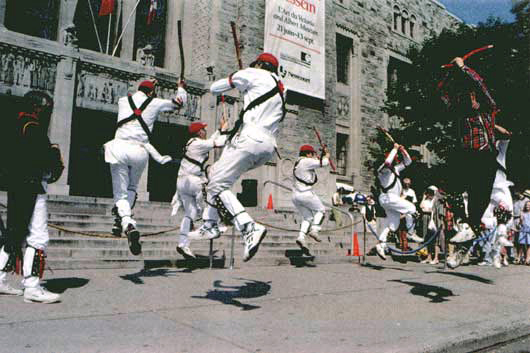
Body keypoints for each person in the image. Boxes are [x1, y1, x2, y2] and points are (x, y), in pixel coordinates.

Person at [189, 53, 286, 262]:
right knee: (216, 176)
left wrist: (238, 78)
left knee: (216, 184)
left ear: (260, 64)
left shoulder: (253, 73)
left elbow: (215, 88)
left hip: (250, 139)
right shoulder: (280, 88)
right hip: (267, 146)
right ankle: (209, 223)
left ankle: (248, 226)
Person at [104, 79, 187, 255]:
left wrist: (150, 85)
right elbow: (179, 104)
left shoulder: (123, 101)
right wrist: (181, 89)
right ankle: (121, 220)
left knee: (120, 193)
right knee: (132, 188)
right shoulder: (155, 103)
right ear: (151, 93)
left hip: (119, 147)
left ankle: (126, 222)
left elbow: (130, 96)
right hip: (140, 150)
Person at [0, 91, 63, 303]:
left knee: (13, 234)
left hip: (16, 185)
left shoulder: (14, 124)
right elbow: (45, 161)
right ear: (37, 108)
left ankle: (0, 278)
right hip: (33, 185)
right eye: (46, 109)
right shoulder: (33, 128)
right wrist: (54, 153)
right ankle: (32, 286)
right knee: (38, 236)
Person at [438, 57, 502, 235]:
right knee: (452, 191)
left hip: (485, 155)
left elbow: (480, 84)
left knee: (479, 196)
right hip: (467, 155)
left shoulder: (488, 107)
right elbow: (442, 93)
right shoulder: (460, 113)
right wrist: (451, 73)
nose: (470, 101)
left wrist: (463, 67)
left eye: (473, 97)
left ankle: (472, 225)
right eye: (467, 98)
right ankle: (464, 223)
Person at [171, 118, 229, 258]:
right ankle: (211, 225)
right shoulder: (198, 143)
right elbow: (219, 143)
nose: (205, 131)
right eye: (203, 130)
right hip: (192, 180)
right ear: (199, 132)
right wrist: (226, 132)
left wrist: (220, 130)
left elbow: (210, 140)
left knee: (190, 213)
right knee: (210, 195)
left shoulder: (194, 142)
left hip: (182, 182)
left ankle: (183, 244)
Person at [374, 143, 420, 260]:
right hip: (389, 197)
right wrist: (394, 149)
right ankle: (411, 233)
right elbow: (388, 162)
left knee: (394, 225)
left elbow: (408, 162)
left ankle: (381, 243)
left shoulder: (395, 169)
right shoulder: (382, 170)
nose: (396, 161)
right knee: (412, 208)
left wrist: (403, 151)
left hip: (390, 200)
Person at [291, 144, 330, 254]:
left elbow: (312, 172)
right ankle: (315, 229)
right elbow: (324, 163)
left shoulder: (298, 163)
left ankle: (301, 237)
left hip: (295, 195)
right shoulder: (306, 161)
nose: (313, 156)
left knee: (307, 217)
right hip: (306, 193)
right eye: (312, 154)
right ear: (308, 154)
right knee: (321, 210)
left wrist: (318, 158)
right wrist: (326, 155)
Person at [516, 201, 530, 265]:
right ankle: (519, 258)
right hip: (523, 230)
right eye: (526, 205)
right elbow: (520, 223)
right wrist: (521, 219)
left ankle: (527, 259)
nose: (527, 206)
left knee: (529, 245)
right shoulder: (523, 213)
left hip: (529, 230)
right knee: (521, 244)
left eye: (529, 205)